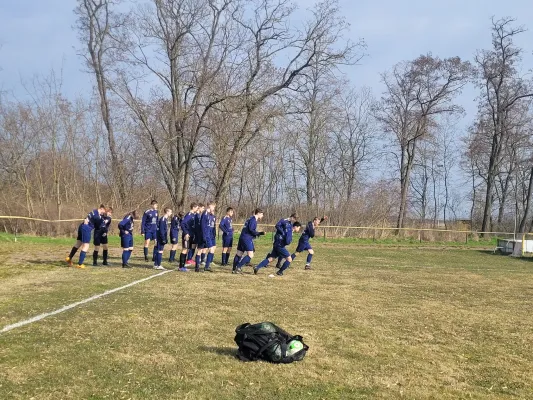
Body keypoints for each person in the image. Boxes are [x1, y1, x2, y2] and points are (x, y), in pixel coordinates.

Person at [232, 208, 265, 274]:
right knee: (250, 255)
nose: (262, 216)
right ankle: (238, 267)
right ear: (258, 213)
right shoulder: (253, 220)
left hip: (242, 237)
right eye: (262, 214)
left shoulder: (250, 219)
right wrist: (260, 233)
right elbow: (251, 230)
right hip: (246, 238)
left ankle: (234, 269)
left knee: (239, 254)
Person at [196, 201, 217, 272]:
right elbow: (202, 226)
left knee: (206, 249)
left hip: (207, 235)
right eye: (213, 206)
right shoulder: (205, 214)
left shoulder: (208, 214)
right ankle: (199, 267)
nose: (214, 208)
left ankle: (205, 266)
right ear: (209, 206)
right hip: (204, 235)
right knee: (201, 250)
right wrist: (204, 236)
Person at [178, 203, 198, 272]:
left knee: (187, 250)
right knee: (184, 249)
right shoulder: (189, 215)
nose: (197, 209)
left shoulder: (193, 215)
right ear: (193, 207)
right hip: (187, 235)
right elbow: (182, 223)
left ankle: (182, 266)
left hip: (191, 235)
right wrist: (186, 233)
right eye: (196, 208)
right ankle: (181, 266)